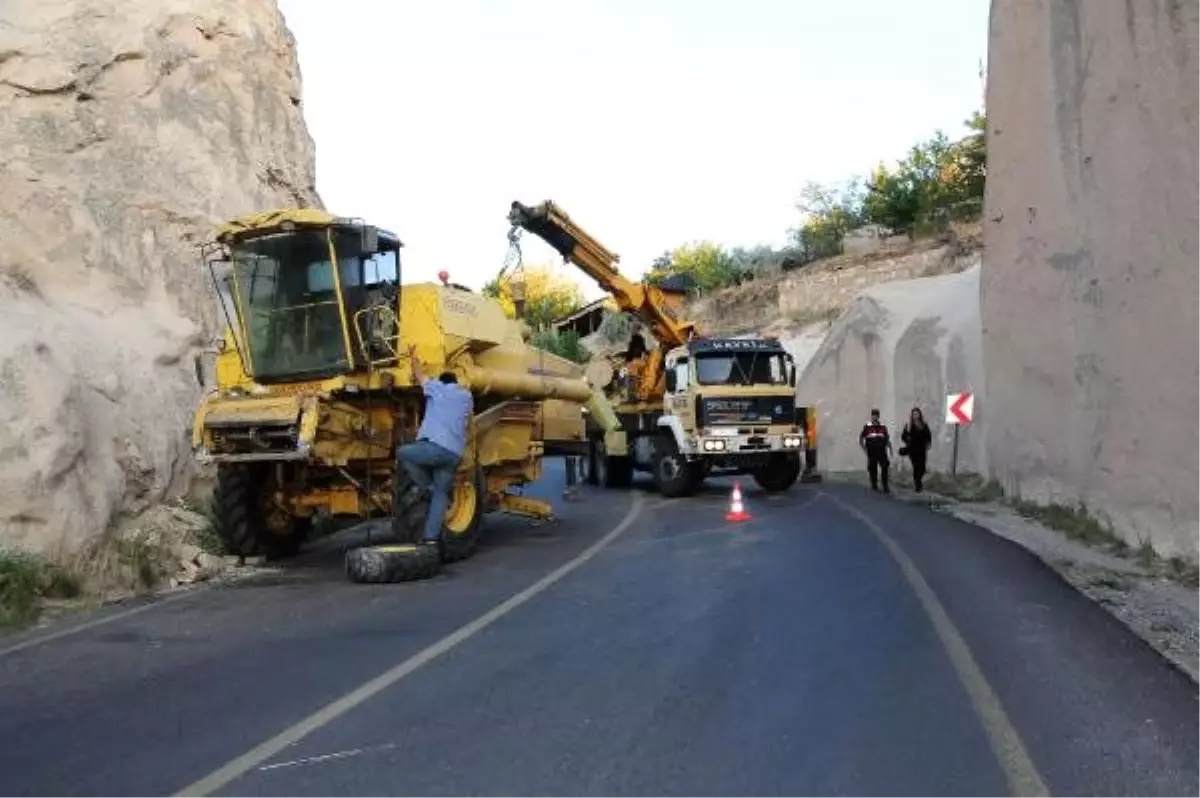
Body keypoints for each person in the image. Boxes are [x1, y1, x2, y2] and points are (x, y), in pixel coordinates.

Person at [396, 345, 474, 548]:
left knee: (403, 453)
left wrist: (413, 357)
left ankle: (426, 486)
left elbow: (419, 375)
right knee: (441, 494)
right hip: (454, 455)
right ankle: (431, 539)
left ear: (442, 382)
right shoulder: (466, 396)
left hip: (436, 448)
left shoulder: (436, 389)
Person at [859, 408, 893, 494]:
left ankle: (885, 485)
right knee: (872, 468)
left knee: (885, 467)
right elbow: (861, 438)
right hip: (871, 451)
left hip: (882, 451)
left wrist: (890, 448)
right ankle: (874, 484)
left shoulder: (883, 426)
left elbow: (887, 438)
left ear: (878, 416)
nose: (875, 416)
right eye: (873, 415)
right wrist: (864, 449)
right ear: (871, 416)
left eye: (876, 415)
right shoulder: (867, 426)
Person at [900, 406, 933, 493]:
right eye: (914, 414)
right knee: (916, 467)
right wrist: (908, 440)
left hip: (922, 449)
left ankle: (918, 482)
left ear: (919, 415)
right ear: (912, 415)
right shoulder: (908, 425)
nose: (915, 415)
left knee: (922, 468)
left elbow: (928, 436)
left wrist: (928, 443)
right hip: (912, 449)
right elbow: (903, 436)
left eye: (917, 414)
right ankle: (918, 486)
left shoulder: (924, 425)